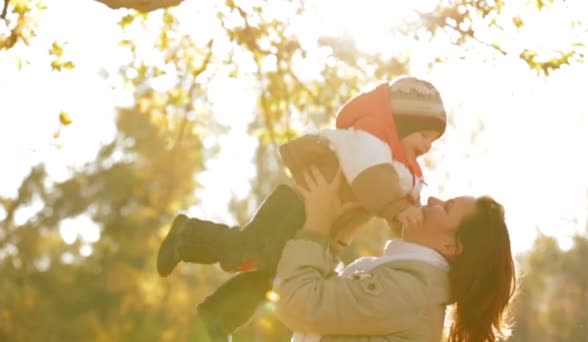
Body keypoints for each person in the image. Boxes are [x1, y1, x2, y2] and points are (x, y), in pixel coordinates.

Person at [156, 76, 448, 340]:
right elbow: (370, 180)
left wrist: (401, 217)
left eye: (433, 141)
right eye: (424, 135)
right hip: (295, 206)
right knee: (247, 250)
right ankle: (187, 234)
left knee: (272, 278)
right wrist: (397, 207)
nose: (428, 146)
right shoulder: (368, 141)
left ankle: (218, 316)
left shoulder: (398, 169)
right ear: (402, 123)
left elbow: (376, 208)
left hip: (316, 223)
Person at [273, 167, 517, 342]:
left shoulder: (411, 291)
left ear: (450, 246)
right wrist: (341, 235)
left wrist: (317, 223)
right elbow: (329, 302)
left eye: (445, 207)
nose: (432, 199)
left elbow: (299, 301)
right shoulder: (412, 285)